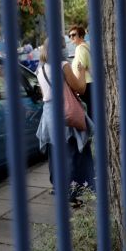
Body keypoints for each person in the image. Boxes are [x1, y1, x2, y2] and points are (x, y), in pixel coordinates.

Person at [35, 37, 94, 206]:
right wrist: (81, 71)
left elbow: (46, 93)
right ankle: (71, 193)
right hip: (66, 113)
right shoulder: (63, 65)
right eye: (62, 46)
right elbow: (80, 88)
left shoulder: (40, 68)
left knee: (55, 153)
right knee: (73, 153)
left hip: (49, 114)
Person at [68, 24, 93, 117]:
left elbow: (80, 68)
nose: (71, 37)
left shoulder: (80, 48)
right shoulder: (86, 46)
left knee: (88, 115)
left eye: (74, 35)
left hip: (85, 85)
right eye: (70, 35)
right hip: (90, 84)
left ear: (81, 36)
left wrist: (77, 85)